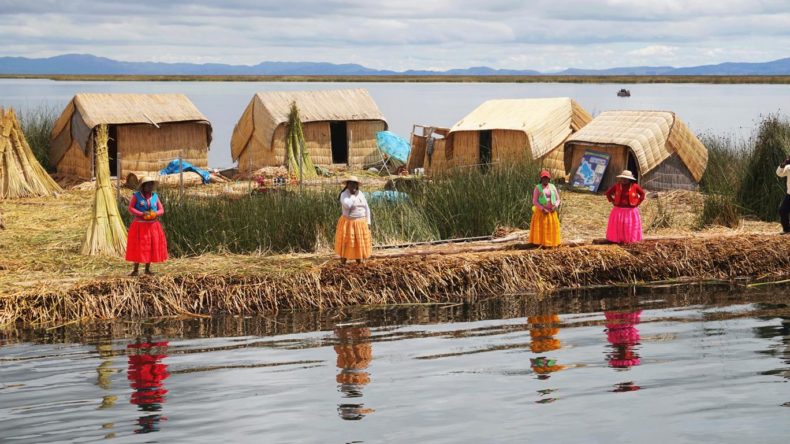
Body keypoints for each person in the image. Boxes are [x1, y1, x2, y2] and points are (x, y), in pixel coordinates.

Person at [126, 177, 168, 276]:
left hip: (153, 226)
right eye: (147, 185)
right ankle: (135, 270)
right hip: (139, 226)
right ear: (143, 186)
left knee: (150, 246)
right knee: (139, 246)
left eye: (151, 185)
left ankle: (147, 269)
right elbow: (131, 208)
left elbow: (161, 209)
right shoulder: (136, 196)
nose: (150, 187)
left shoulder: (155, 196)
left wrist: (155, 213)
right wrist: (141, 213)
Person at [335, 176, 372, 264]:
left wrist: (369, 222)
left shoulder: (361, 193)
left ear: (357, 185)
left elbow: (367, 208)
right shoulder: (344, 195)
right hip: (349, 223)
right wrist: (352, 195)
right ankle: (343, 262)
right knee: (347, 242)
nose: (353, 185)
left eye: (354, 183)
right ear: (347, 185)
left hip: (361, 223)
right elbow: (348, 205)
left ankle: (359, 262)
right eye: (351, 183)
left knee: (359, 243)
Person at [605, 170, 646, 244]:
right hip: (618, 210)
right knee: (618, 226)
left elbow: (642, 194)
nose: (623, 180)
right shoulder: (617, 186)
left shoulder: (635, 186)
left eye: (625, 178)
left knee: (629, 226)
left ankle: (630, 240)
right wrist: (612, 201)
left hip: (631, 211)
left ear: (629, 179)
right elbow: (608, 193)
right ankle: (617, 239)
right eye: (622, 178)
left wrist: (638, 202)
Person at [529, 170, 561, 247]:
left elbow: (558, 199)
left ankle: (550, 243)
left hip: (551, 211)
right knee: (541, 228)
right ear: (541, 179)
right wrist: (542, 209)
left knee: (550, 229)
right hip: (541, 212)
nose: (545, 180)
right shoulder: (538, 187)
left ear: (549, 179)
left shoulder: (552, 186)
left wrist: (555, 206)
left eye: (547, 178)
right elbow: (534, 201)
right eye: (544, 178)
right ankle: (540, 243)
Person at [776, 156, 790, 234]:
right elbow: (779, 173)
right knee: (782, 210)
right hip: (789, 194)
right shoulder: (788, 167)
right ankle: (787, 229)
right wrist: (783, 164)